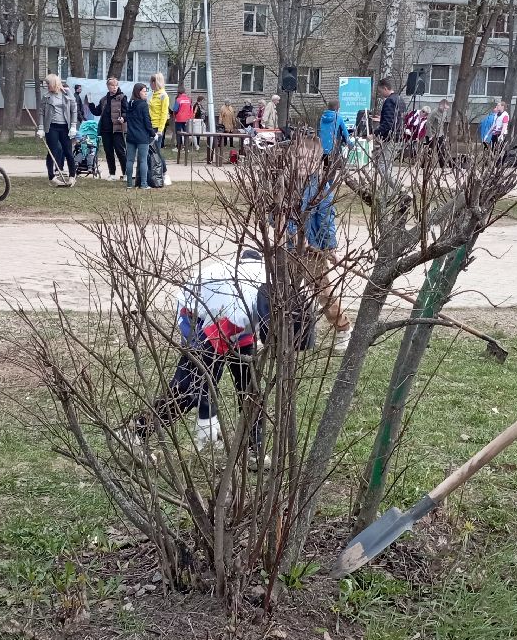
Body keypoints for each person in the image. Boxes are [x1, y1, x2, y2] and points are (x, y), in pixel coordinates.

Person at [127, 248, 287, 469]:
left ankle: (254, 450)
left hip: (237, 323)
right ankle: (137, 431)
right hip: (202, 321)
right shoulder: (235, 308)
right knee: (188, 390)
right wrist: (207, 414)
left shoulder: (276, 293)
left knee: (250, 388)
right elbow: (206, 368)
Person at [293, 130, 352, 351]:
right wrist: (293, 235)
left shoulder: (320, 186)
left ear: (316, 162)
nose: (302, 163)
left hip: (312, 251)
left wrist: (329, 246)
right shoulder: (285, 183)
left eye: (308, 159)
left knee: (322, 291)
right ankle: (272, 333)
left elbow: (326, 216)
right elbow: (277, 214)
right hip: (287, 247)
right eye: (298, 158)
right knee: (279, 291)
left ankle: (343, 328)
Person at [38, 73, 78, 186]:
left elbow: (74, 110)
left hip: (65, 127)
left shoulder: (67, 94)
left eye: (48, 84)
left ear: (54, 83)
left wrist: (74, 125)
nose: (47, 86)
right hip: (51, 127)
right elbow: (42, 112)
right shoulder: (46, 96)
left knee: (68, 152)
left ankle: (72, 176)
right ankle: (52, 177)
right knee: (52, 151)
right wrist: (41, 128)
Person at [96, 76, 129, 181]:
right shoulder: (104, 99)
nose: (114, 87)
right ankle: (112, 173)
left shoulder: (122, 97)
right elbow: (97, 111)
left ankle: (126, 173)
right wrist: (90, 104)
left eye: (116, 85)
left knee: (120, 152)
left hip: (117, 129)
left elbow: (127, 111)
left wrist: (123, 118)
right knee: (108, 152)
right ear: (108, 86)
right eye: (112, 85)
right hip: (106, 129)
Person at [125, 82, 154, 189]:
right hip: (142, 137)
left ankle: (129, 184)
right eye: (144, 91)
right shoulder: (143, 105)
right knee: (142, 160)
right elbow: (147, 122)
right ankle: (143, 184)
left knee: (130, 160)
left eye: (146, 91)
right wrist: (152, 133)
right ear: (138, 92)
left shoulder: (130, 103)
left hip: (130, 136)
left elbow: (127, 118)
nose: (146, 93)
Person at [172, 82, 195, 152]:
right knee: (186, 133)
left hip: (179, 119)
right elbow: (191, 109)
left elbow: (175, 109)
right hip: (187, 119)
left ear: (179, 93)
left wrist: (174, 116)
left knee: (178, 133)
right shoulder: (189, 99)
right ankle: (186, 148)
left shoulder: (178, 100)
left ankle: (179, 147)